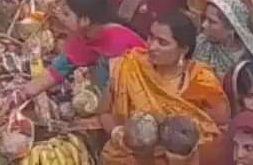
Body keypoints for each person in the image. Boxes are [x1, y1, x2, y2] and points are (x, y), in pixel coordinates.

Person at [98, 12, 230, 164]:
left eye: (162, 42)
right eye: (150, 37)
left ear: (183, 49)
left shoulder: (202, 81)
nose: (151, 46)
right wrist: (120, 135)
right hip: (126, 156)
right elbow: (104, 112)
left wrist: (180, 150)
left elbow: (218, 131)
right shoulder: (130, 65)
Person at [21, 0, 148, 102]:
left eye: (66, 14)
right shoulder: (82, 34)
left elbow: (111, 91)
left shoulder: (116, 43)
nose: (61, 18)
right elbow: (57, 70)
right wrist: (22, 94)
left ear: (85, 21)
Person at [192, 0, 253, 78]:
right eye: (205, 18)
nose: (204, 25)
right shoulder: (201, 45)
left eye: (212, 21)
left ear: (231, 27)